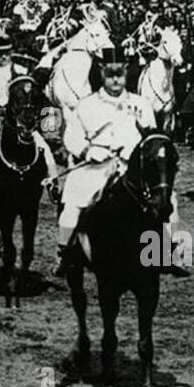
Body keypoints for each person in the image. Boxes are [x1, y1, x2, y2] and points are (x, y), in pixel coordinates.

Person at [55, 51, 157, 274]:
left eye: (119, 74)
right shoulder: (87, 104)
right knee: (74, 204)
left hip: (132, 165)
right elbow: (71, 136)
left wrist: (139, 151)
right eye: (110, 75)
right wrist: (86, 150)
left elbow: (152, 136)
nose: (115, 80)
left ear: (126, 73)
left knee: (167, 201)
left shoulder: (141, 103)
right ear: (101, 73)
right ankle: (66, 254)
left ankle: (164, 253)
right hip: (96, 166)